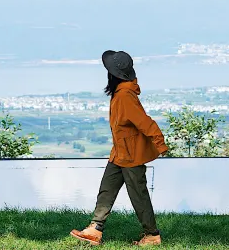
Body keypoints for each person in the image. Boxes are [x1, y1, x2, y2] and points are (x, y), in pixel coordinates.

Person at [70, 50, 168, 246]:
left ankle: (152, 235)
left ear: (113, 74)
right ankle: (95, 229)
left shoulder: (124, 95)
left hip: (131, 155)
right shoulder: (120, 93)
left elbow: (144, 122)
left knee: (138, 195)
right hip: (119, 153)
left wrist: (160, 143)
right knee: (107, 190)